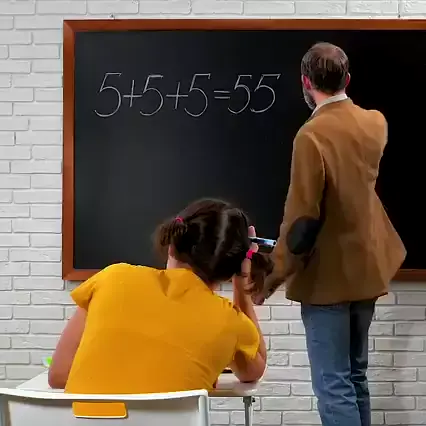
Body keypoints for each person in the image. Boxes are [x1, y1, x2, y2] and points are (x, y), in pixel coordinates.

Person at [253, 43, 406, 426]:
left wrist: (269, 279)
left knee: (333, 384)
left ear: (306, 82)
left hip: (328, 278)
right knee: (355, 377)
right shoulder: (375, 122)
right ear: (347, 79)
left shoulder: (311, 136)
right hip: (367, 268)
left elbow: (302, 221)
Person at [49, 199, 272, 401]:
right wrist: (242, 284)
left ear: (172, 242)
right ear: (233, 268)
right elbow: (253, 372)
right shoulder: (230, 321)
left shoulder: (112, 278)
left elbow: (59, 375)